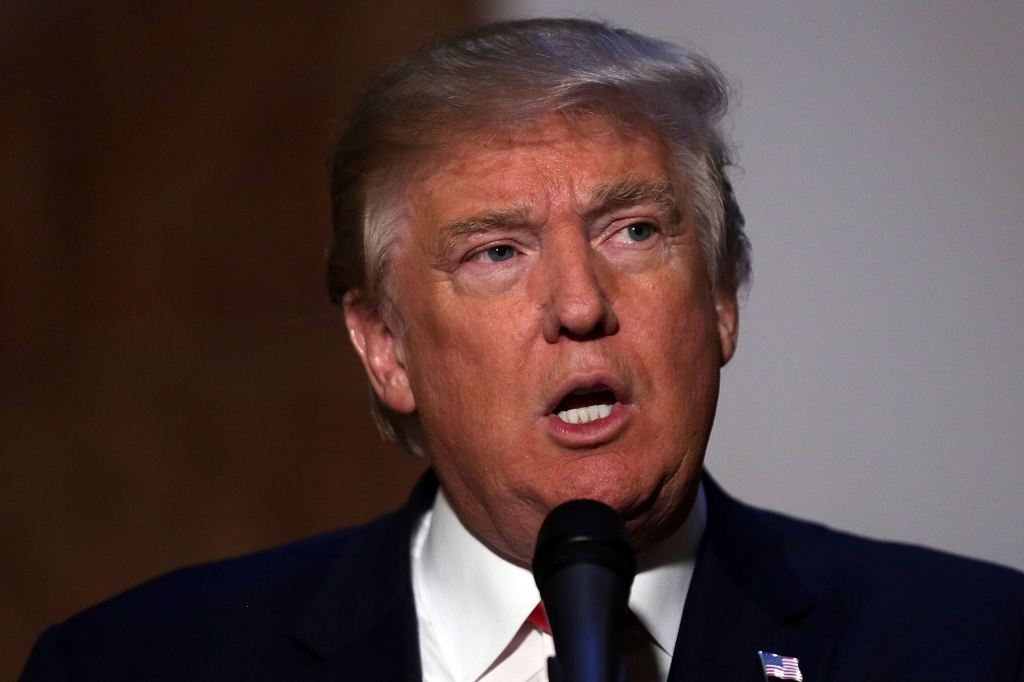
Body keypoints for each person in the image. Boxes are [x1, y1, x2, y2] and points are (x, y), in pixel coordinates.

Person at [19, 18, 1024, 682]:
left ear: (719, 296)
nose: (580, 303)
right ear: (384, 347)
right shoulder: (137, 665)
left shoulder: (973, 645)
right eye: (497, 251)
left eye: (633, 230)